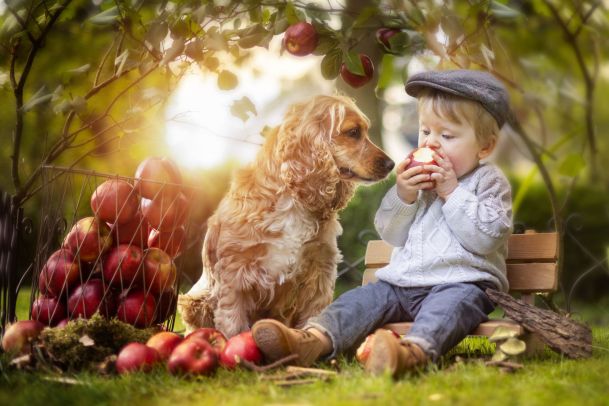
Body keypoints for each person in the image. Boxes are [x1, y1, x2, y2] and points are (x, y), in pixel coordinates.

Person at [251, 69, 513, 378]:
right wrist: (403, 194)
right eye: (426, 132)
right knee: (359, 301)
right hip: (401, 285)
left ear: (485, 147)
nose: (432, 144)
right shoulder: (418, 184)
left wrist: (451, 192)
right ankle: (311, 340)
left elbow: (486, 237)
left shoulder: (489, 182)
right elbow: (390, 233)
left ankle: (411, 353)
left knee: (449, 309)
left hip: (462, 282)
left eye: (447, 136)